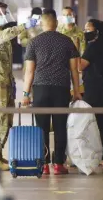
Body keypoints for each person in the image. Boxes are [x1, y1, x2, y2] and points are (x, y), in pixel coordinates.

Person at [21, 9, 82, 175]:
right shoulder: (67, 41)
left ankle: (44, 164)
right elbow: (74, 70)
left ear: (41, 23)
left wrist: (26, 94)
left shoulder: (34, 42)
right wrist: (76, 91)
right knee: (61, 126)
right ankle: (58, 164)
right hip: (61, 89)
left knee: (42, 128)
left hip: (40, 90)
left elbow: (29, 72)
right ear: (56, 23)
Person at [0, 1, 37, 171]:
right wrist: (24, 26)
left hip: (5, 82)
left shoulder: (1, 33)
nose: (4, 16)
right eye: (0, 14)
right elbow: (7, 34)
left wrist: (12, 82)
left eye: (5, 13)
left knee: (6, 120)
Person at [79, 19, 103, 167]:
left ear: (97, 32)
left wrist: (75, 51)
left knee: (89, 122)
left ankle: (90, 155)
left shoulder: (92, 47)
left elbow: (80, 67)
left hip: (93, 90)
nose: (85, 32)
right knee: (102, 122)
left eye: (88, 29)